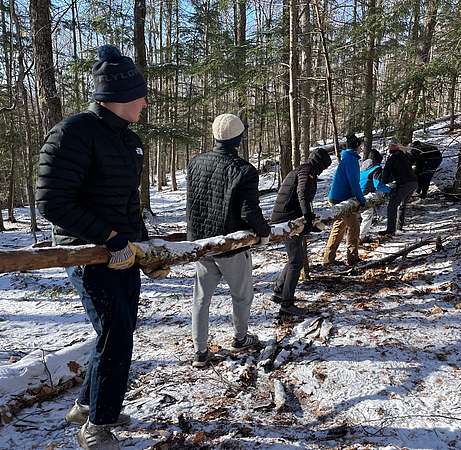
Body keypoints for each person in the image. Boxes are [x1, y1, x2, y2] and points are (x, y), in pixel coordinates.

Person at [36, 45, 167, 450]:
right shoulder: (73, 132)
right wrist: (108, 238)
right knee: (117, 335)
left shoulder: (129, 139)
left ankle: (86, 404)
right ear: (121, 96)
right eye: (141, 95)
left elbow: (128, 201)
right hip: (88, 253)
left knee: (119, 330)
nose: (145, 102)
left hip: (123, 253)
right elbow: (52, 201)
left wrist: (144, 251)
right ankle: (98, 426)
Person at [187, 113, 271, 369]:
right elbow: (249, 212)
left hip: (201, 244)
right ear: (238, 138)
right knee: (242, 295)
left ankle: (200, 351)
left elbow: (193, 203)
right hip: (230, 244)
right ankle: (240, 338)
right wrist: (263, 233)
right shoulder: (244, 170)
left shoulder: (195, 162)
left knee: (201, 300)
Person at [271, 147, 332, 315]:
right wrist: (307, 217)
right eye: (324, 167)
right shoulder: (307, 171)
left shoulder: (303, 169)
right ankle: (287, 303)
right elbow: (302, 194)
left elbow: (302, 198)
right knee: (296, 261)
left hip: (287, 216)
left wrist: (309, 218)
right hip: (287, 219)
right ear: (320, 163)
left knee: (294, 258)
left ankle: (279, 291)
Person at [323, 133, 366, 265]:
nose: (361, 148)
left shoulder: (347, 158)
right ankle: (352, 259)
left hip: (337, 197)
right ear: (357, 146)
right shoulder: (351, 160)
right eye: (360, 145)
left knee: (339, 227)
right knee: (354, 227)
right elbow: (354, 182)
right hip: (341, 200)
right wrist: (361, 199)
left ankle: (328, 259)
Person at [379, 139, 418, 236]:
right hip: (413, 183)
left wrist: (383, 184)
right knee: (402, 204)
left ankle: (390, 230)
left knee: (392, 205)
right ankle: (399, 226)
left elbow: (385, 175)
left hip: (405, 184)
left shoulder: (391, 159)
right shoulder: (404, 155)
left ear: (391, 148)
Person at [358, 148, 390, 242]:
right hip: (366, 195)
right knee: (367, 216)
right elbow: (378, 184)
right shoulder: (376, 168)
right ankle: (361, 238)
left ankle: (352, 236)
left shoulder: (363, 168)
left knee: (355, 216)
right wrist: (388, 190)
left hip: (357, 193)